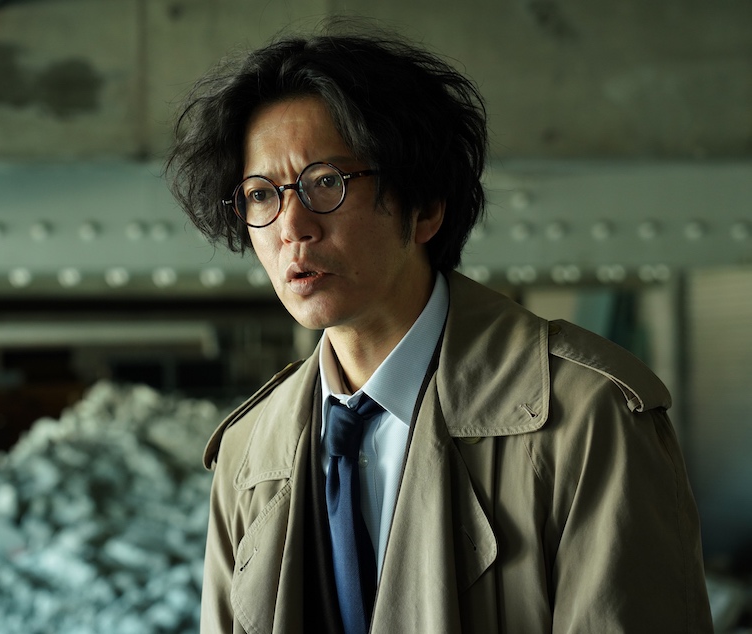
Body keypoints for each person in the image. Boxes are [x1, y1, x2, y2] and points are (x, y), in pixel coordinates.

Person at [165, 22, 713, 634]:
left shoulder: (586, 415)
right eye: (261, 194)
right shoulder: (247, 453)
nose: (292, 226)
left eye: (326, 183)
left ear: (425, 207)